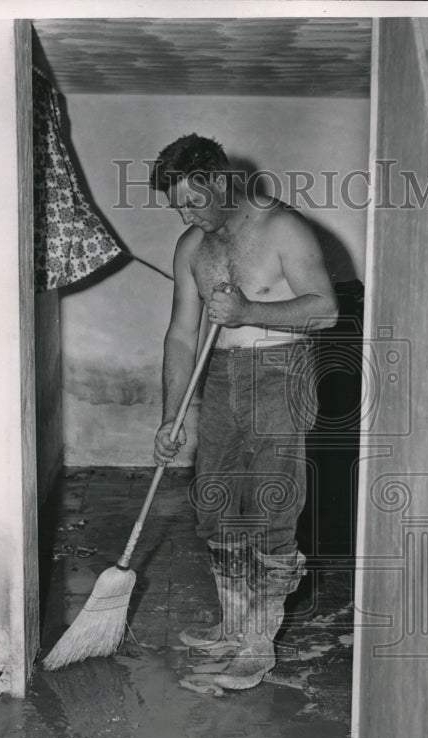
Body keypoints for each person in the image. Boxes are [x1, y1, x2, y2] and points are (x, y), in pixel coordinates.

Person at [150, 134, 338, 690]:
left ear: (222, 180)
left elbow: (325, 311)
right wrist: (171, 417)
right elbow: (182, 336)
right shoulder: (191, 246)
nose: (186, 213)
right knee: (216, 501)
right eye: (178, 205)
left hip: (281, 371)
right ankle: (234, 627)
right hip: (223, 377)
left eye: (192, 201)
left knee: (270, 505)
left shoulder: (283, 229)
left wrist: (250, 309)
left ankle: (258, 647)